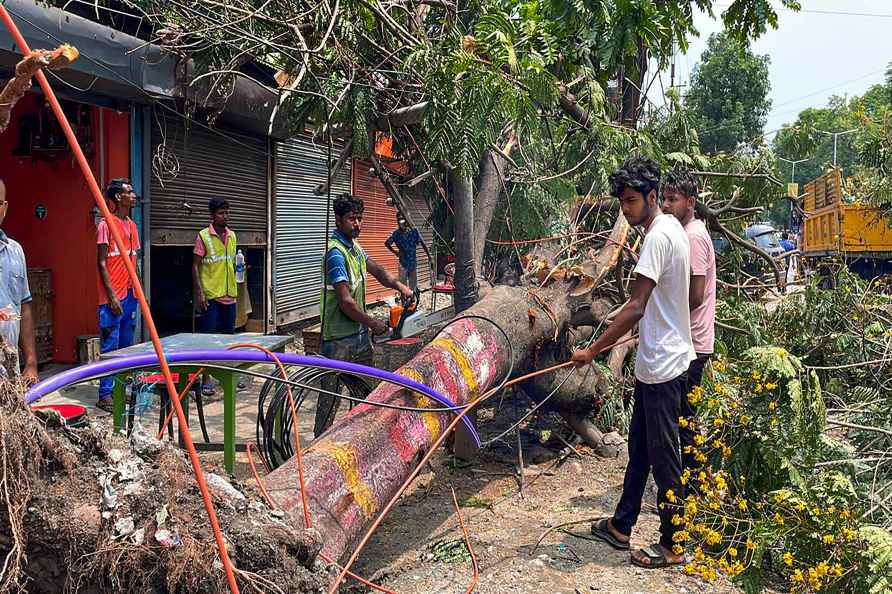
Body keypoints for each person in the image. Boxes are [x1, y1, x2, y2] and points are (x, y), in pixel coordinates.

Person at [572, 156, 695, 569]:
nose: (625, 210)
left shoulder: (659, 236)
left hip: (663, 367)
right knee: (641, 451)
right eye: (622, 202)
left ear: (652, 197)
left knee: (664, 458)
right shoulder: (670, 230)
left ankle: (674, 543)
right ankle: (621, 526)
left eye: (630, 201)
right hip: (657, 362)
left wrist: (592, 349)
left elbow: (636, 306)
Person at [315, 194, 413, 436]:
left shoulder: (354, 247)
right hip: (337, 338)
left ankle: (363, 440)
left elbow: (377, 270)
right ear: (338, 219)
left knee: (366, 393)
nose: (357, 224)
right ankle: (318, 444)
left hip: (358, 336)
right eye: (351, 219)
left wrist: (400, 286)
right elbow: (346, 303)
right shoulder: (336, 254)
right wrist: (374, 324)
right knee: (330, 398)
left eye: (359, 218)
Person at [661, 169, 716, 493]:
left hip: (692, 342)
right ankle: (691, 482)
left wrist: (664, 315)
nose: (666, 205)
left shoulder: (694, 237)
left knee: (683, 418)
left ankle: (691, 486)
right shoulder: (688, 232)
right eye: (664, 199)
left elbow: (695, 296)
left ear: (690, 202)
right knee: (684, 415)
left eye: (673, 199)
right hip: (690, 340)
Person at [96, 178, 140, 411]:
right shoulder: (106, 225)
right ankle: (105, 394)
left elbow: (135, 261)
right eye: (129, 192)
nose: (133, 195)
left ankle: (120, 390)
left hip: (130, 295)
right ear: (117, 198)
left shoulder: (132, 226)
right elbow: (101, 263)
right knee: (110, 347)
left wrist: (139, 291)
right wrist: (112, 296)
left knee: (126, 346)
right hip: (111, 298)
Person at [193, 198, 238, 396]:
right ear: (212, 215)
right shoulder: (203, 236)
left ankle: (226, 375)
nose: (225, 216)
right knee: (208, 340)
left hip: (230, 295)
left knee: (228, 340)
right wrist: (200, 292)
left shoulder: (232, 236)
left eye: (227, 212)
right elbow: (194, 265)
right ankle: (205, 377)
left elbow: (232, 263)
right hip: (211, 295)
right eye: (221, 213)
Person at [0, 179, 38, 383]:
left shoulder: (15, 251)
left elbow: (24, 307)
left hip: (9, 370)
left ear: (4, 208)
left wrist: (31, 363)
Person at [384, 213, 428, 292]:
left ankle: (414, 302)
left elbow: (422, 243)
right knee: (403, 288)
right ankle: (404, 303)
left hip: (412, 263)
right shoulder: (396, 234)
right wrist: (396, 252)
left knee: (413, 288)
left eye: (402, 218)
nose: (401, 221)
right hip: (403, 264)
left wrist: (429, 256)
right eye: (399, 219)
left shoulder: (414, 232)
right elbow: (387, 243)